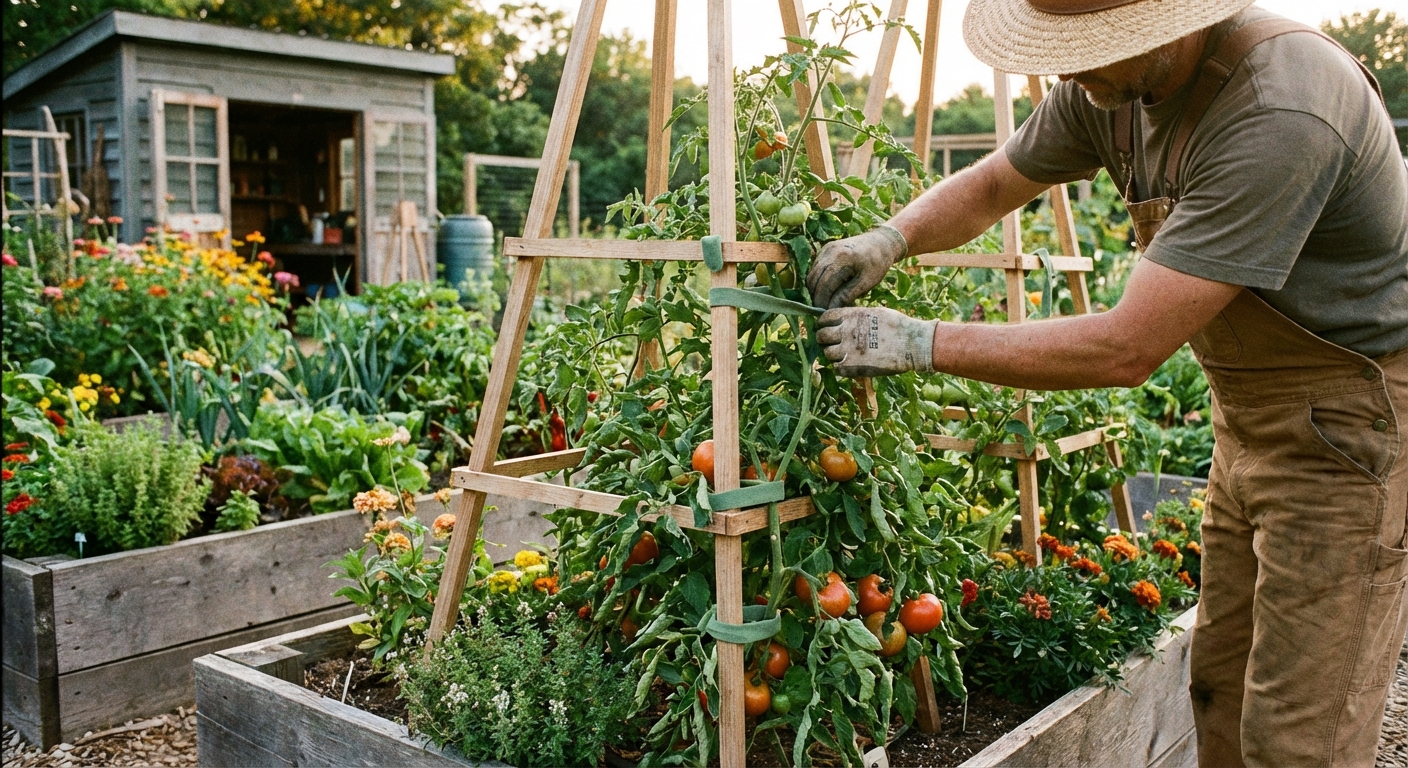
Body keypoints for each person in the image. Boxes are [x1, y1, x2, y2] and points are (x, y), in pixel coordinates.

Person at [808, 0, 1408, 765]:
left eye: (1088, 46)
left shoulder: (1279, 106)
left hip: (1347, 429)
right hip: (1246, 416)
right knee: (1219, 686)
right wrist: (892, 237)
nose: (1066, 66)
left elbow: (1127, 349)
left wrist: (918, 342)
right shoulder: (1108, 87)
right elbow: (996, 184)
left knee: (1301, 735)